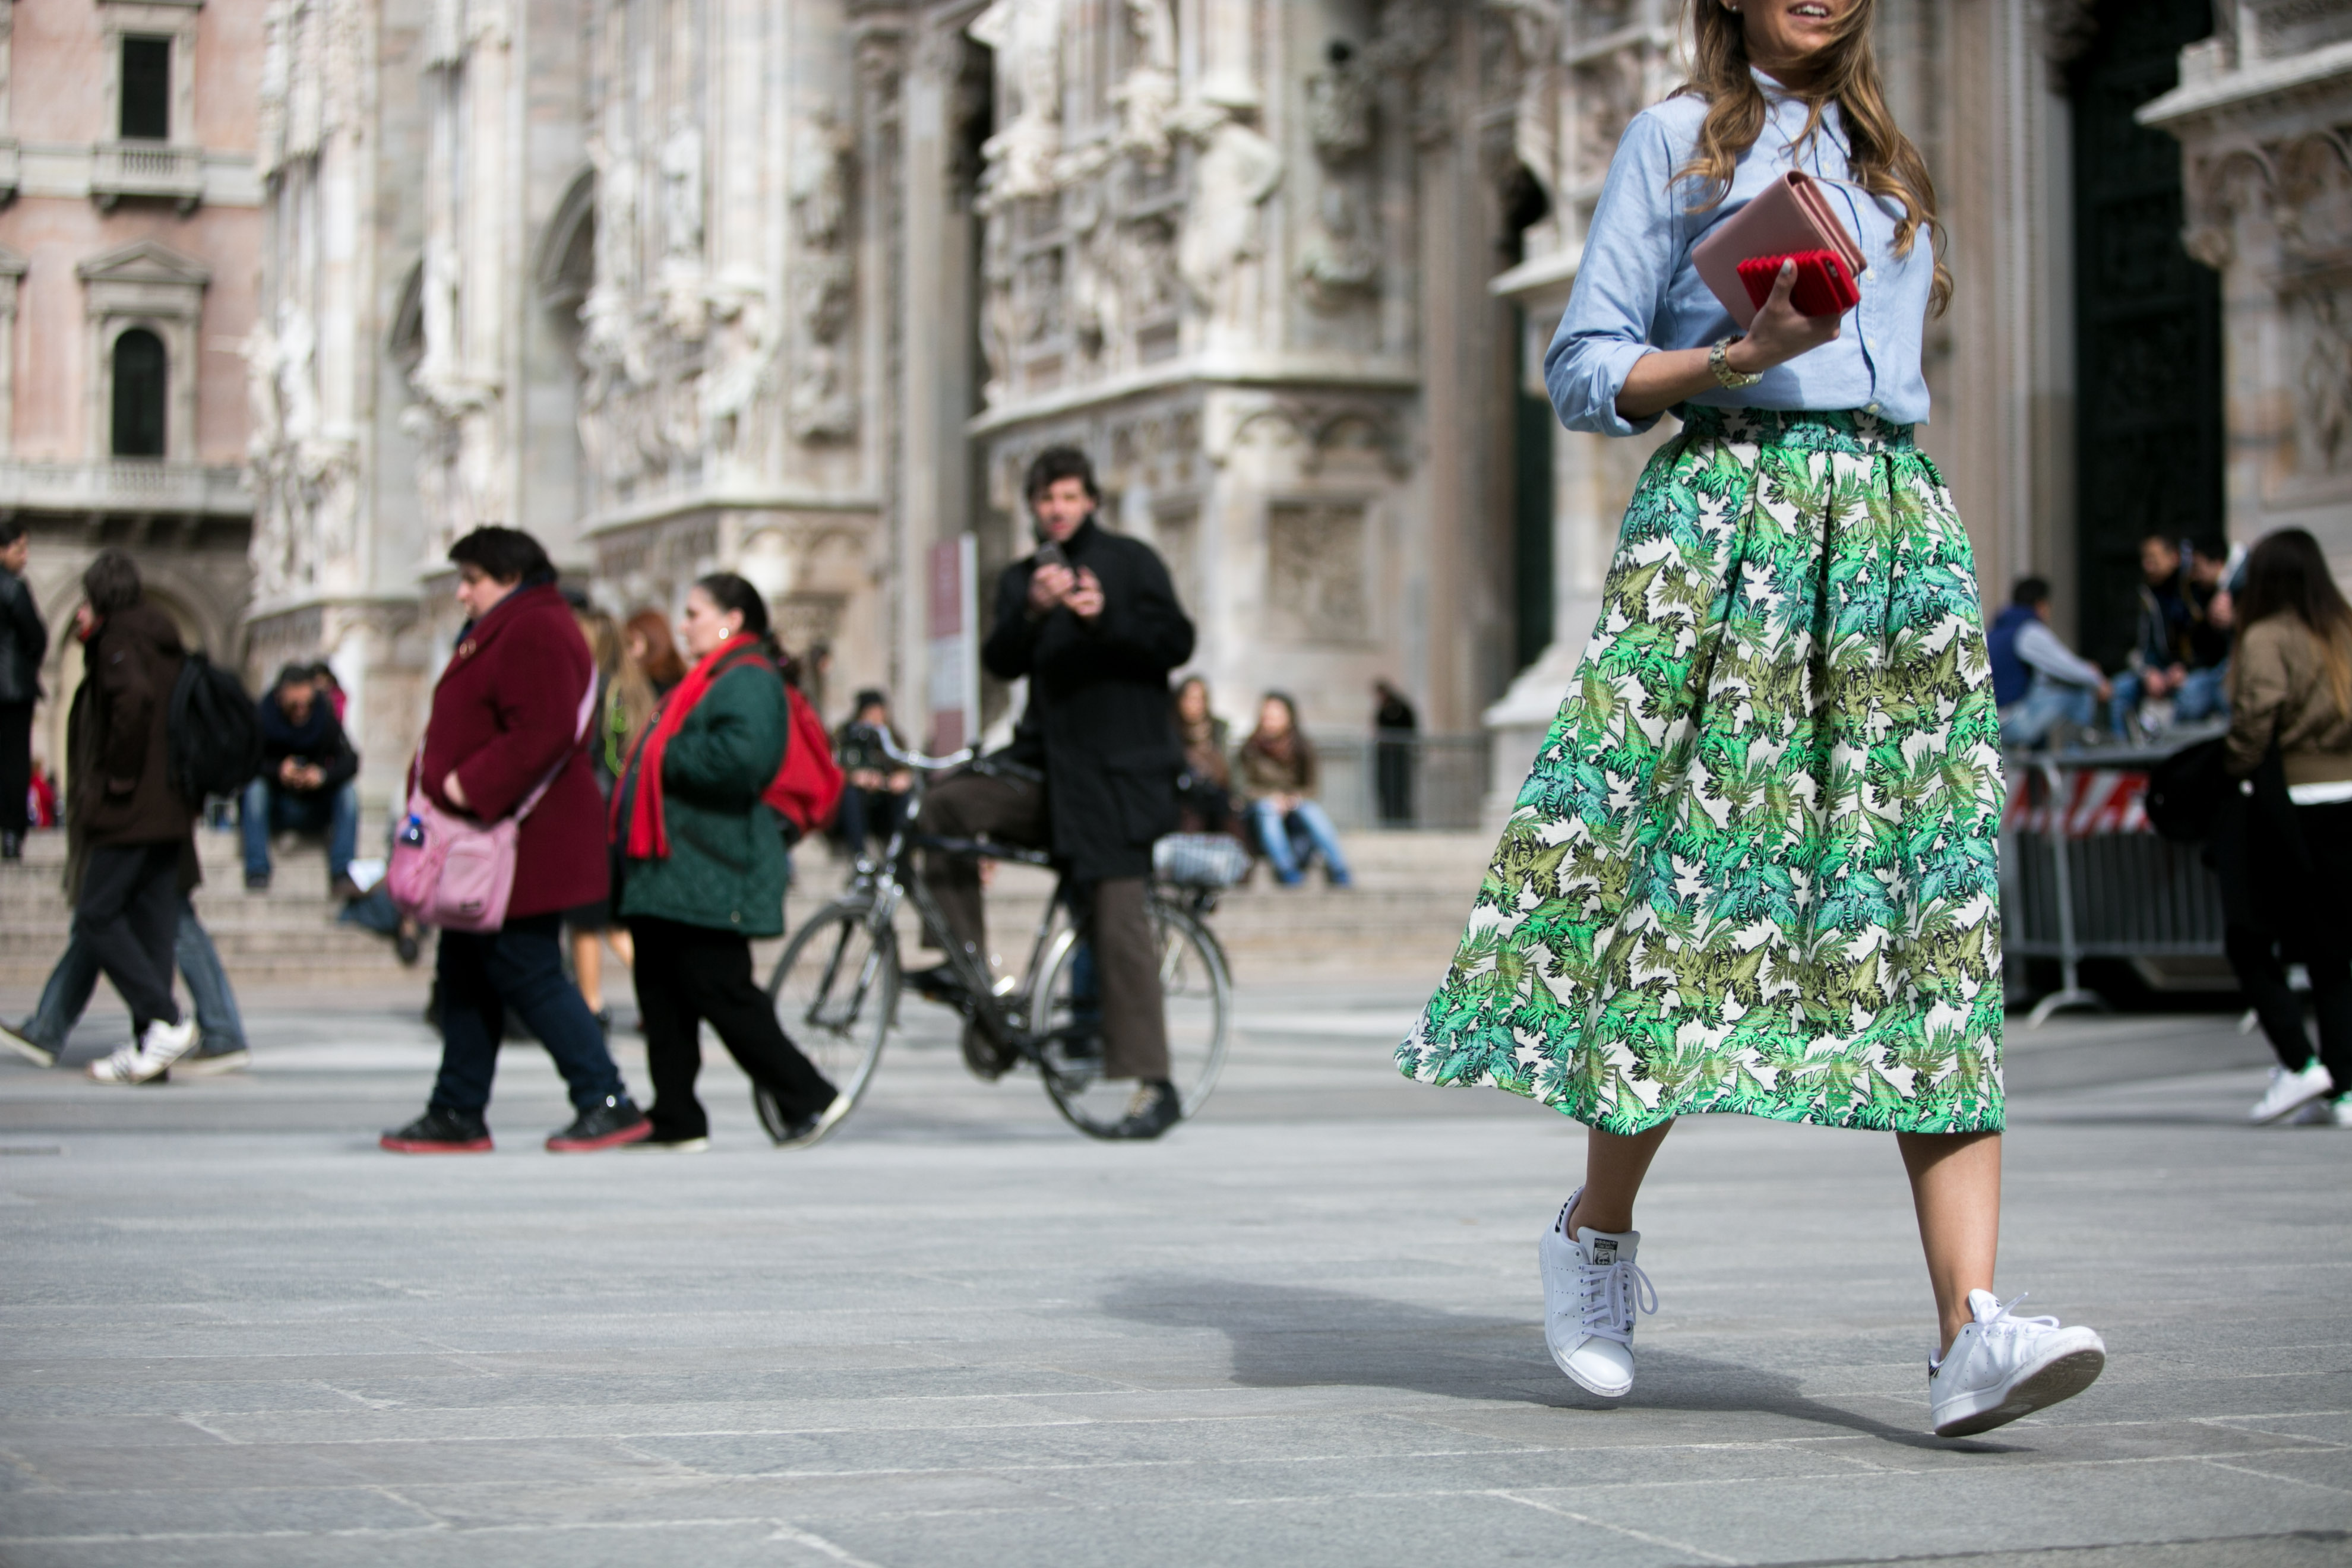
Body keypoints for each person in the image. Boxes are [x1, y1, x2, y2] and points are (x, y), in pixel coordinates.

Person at [1396, 0, 2106, 1439]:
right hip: (1728, 521)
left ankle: (1968, 1326)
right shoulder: (1670, 141)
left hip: (1890, 529)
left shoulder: (1890, 163)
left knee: (1927, 908)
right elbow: (1584, 370)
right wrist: (1738, 348)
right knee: (1682, 892)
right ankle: (1595, 1237)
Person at [910, 445, 1196, 1140]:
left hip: (1116, 778)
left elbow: (1176, 642)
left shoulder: (1131, 563)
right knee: (944, 807)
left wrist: (1106, 619)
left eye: (1068, 496)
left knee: (1118, 918)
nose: (1057, 510)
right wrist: (1033, 613)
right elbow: (999, 660)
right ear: (1033, 507)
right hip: (1045, 771)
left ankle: (1152, 1084)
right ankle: (966, 966)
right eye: (1046, 500)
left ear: (1090, 499)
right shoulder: (1024, 578)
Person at [379, 527, 652, 1154]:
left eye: (472, 578)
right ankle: (457, 1109)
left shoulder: (534, 627)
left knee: (527, 971)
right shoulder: (515, 625)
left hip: (525, 839)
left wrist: (463, 785)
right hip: (501, 837)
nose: (462, 592)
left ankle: (605, 1098)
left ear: (510, 577)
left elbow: (544, 730)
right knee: (466, 973)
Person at [612, 573, 849, 1150]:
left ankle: (808, 1094)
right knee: (662, 991)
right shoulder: (708, 678)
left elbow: (744, 759)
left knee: (720, 988)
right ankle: (676, 1114)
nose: (684, 624)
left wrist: (662, 752)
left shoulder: (747, 679)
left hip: (715, 862)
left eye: (694, 612)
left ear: (732, 620)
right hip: (674, 861)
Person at [2211, 529, 2352, 1128]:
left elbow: (2255, 720)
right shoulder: (2342, 628)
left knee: (2249, 934)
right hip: (2347, 793)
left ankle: (2302, 1064)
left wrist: (2233, 768)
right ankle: (2343, 1086)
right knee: (2333, 953)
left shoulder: (2269, 636)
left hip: (2294, 801)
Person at [64, 553, 205, 1085]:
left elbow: (133, 700)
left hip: (132, 808)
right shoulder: (162, 636)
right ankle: (153, 1046)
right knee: (152, 927)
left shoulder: (119, 641)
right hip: (170, 805)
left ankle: (166, 1021)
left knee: (97, 915)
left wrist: (115, 781)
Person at [0, 894, 249, 1074]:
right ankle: (156, 1035)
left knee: (100, 913)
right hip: (139, 830)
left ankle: (172, 1023)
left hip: (134, 830)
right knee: (105, 913)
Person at [565, 608, 652, 1032]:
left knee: (586, 919)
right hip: (622, 812)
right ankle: (657, 990)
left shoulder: (594, 689)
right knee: (613, 921)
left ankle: (591, 1003)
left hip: (593, 814)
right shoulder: (631, 687)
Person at [241, 664, 362, 897]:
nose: (301, 710)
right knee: (255, 788)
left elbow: (351, 760)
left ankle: (342, 872)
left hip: (314, 804)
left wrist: (321, 776)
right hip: (276, 806)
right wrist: (278, 770)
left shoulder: (323, 716)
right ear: (280, 697)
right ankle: (257, 869)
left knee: (348, 793)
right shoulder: (262, 717)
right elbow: (245, 762)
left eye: (306, 703)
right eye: (293, 704)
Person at [2111, 534, 2228, 736]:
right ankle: (2123, 759)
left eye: (2153, 559)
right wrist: (2149, 673)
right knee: (2121, 689)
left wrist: (2186, 669)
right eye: (2144, 559)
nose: (2147, 566)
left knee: (2190, 693)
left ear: (2174, 557)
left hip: (2198, 670)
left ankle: (2173, 753)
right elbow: (2142, 646)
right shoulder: (2148, 594)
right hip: (2164, 670)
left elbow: (2212, 645)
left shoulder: (2198, 586)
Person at [1237, 694, 1354, 887]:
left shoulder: (1302, 747)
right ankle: (1286, 869)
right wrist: (1272, 798)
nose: (1270, 721)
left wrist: (1293, 799)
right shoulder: (1249, 748)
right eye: (1267, 716)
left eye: (1276, 715)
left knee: (1310, 809)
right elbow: (1242, 788)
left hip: (1294, 808)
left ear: (1289, 717)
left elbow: (1313, 788)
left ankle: (1338, 867)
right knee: (1268, 809)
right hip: (1260, 810)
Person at [1988, 578, 2110, 751]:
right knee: (2077, 690)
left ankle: (2042, 760)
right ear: (2041, 605)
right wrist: (2097, 679)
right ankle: (2083, 752)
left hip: (1991, 721)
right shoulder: (2028, 630)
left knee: (2042, 689)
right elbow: (2067, 667)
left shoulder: (1995, 632)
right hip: (2010, 722)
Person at [0, 519, 46, 861]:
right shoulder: (14, 589)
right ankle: (12, 834)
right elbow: (37, 636)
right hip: (13, 689)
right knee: (15, 761)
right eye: (19, 549)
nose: (25, 557)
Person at [833, 689, 913, 858]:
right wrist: (854, 777)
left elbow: (905, 766)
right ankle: (859, 856)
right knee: (851, 795)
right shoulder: (847, 737)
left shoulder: (892, 738)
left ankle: (900, 854)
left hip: (885, 802)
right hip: (857, 805)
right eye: (871, 713)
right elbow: (835, 766)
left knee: (906, 798)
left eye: (880, 713)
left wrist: (899, 778)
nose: (876, 718)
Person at [1172, 676, 1237, 836]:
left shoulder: (1218, 729)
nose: (1193, 705)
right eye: (1189, 699)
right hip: (1181, 796)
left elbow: (1230, 769)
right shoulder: (1171, 729)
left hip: (1216, 797)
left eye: (1198, 699)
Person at [1373, 678, 1418, 826]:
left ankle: (1401, 820)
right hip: (1386, 757)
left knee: (1400, 788)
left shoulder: (1400, 707)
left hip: (1399, 757)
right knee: (1386, 789)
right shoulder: (1383, 708)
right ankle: (1389, 819)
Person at [624, 608, 688, 696]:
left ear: (652, 641)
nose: (627, 652)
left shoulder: (653, 686)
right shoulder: (682, 676)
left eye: (631, 643)